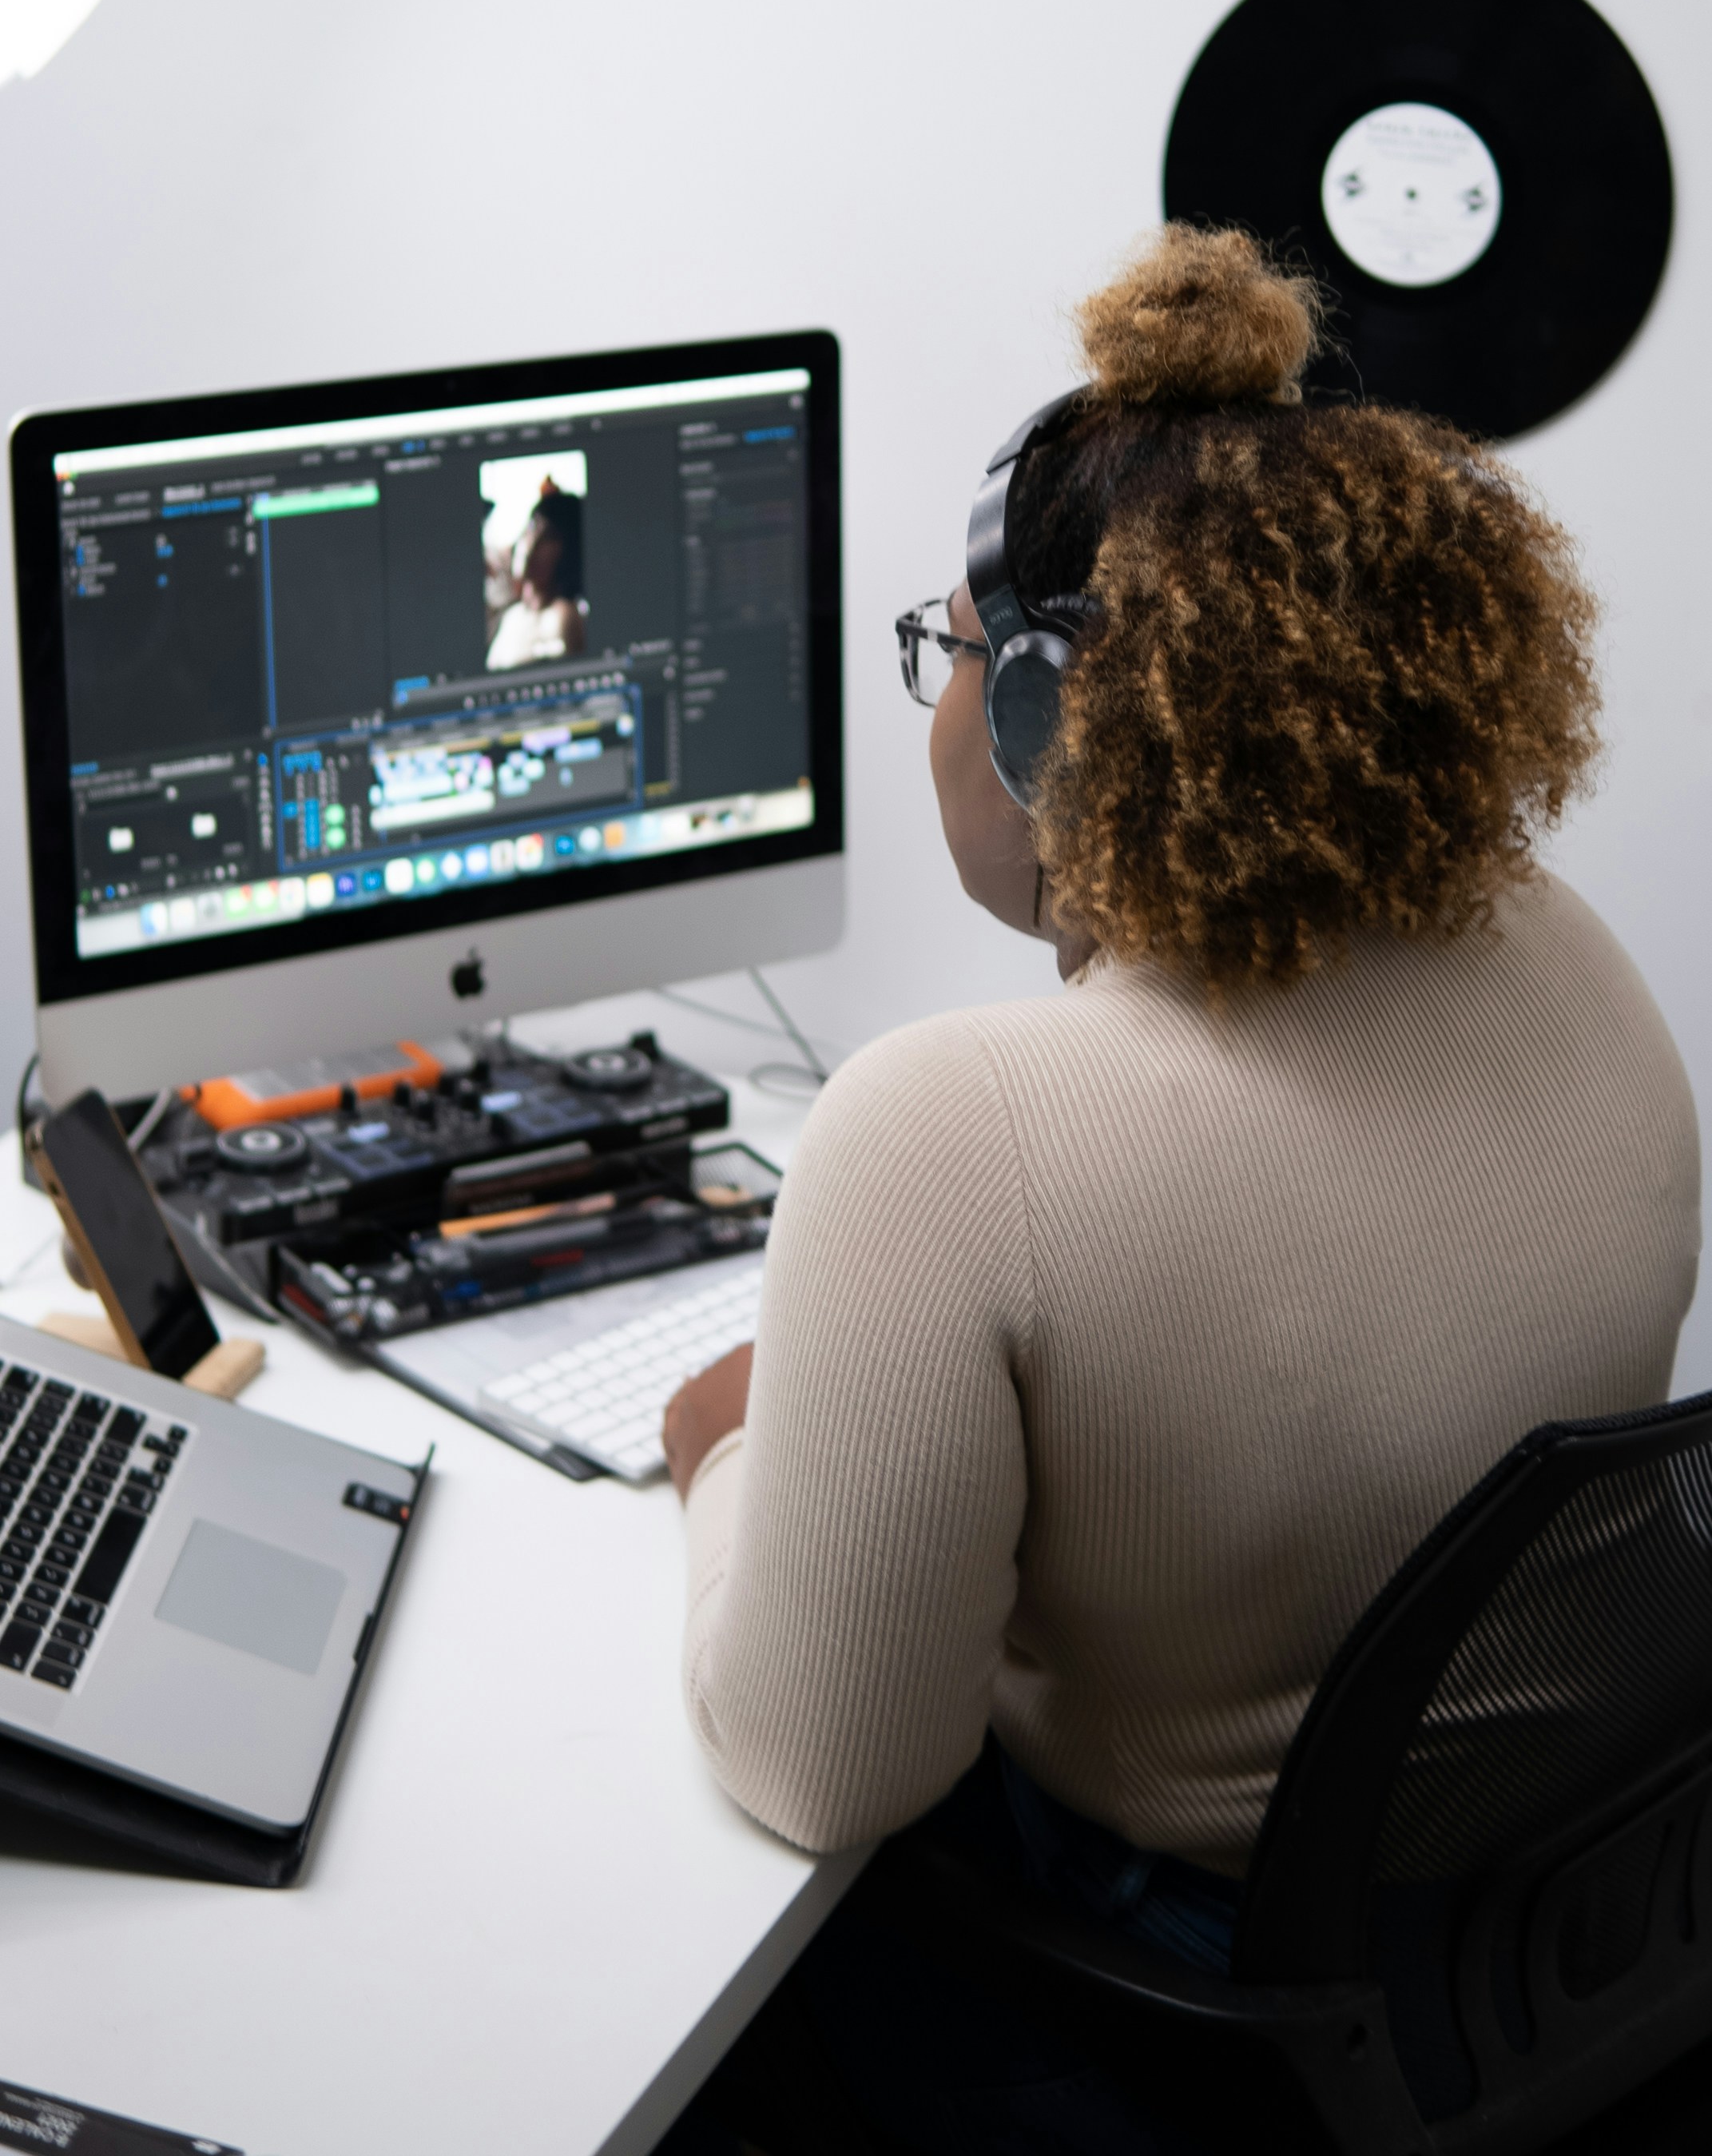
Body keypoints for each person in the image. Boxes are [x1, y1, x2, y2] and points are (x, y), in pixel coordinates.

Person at [660, 227, 1698, 2154]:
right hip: (1508, 1940)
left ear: (1057, 713)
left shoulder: (956, 1126)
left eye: (948, 654)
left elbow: (828, 1760)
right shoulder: (1577, 953)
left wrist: (719, 1463)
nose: (938, 705)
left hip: (1180, 1993)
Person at [485, 482, 587, 668]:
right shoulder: (510, 615)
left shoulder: (566, 616)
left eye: (549, 536)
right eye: (532, 526)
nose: (532, 543)